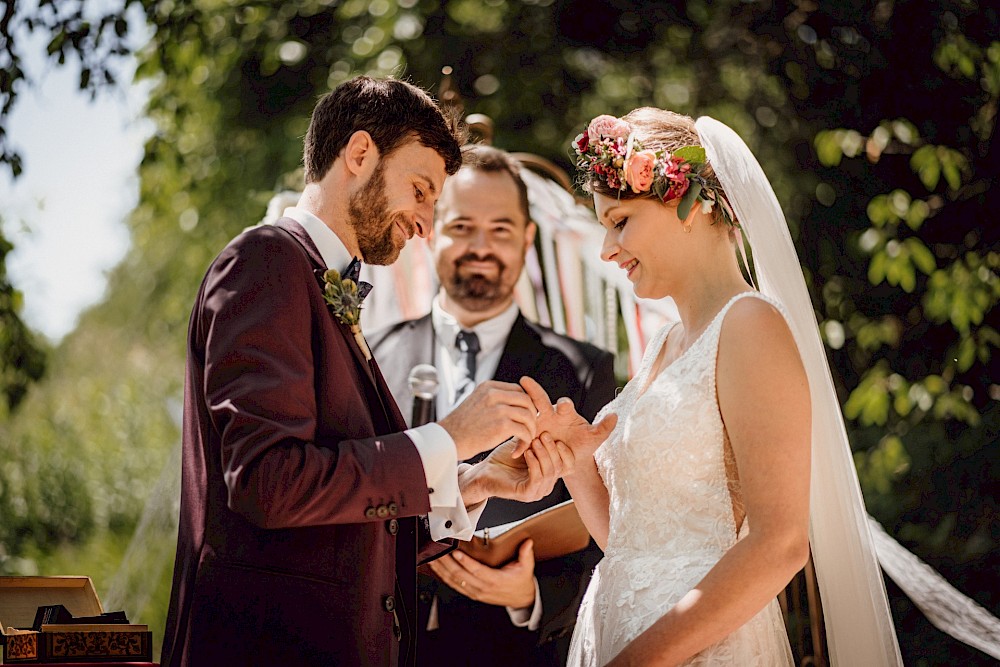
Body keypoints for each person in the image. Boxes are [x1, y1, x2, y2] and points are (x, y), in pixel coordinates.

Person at [161, 76, 578, 667]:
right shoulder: (265, 262)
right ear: (359, 154)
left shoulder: (320, 281)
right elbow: (268, 484)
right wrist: (450, 437)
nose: (427, 223)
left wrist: (475, 482)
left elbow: (344, 520)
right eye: (420, 189)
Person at [522, 109, 902, 665]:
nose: (607, 249)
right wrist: (580, 464)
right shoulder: (668, 342)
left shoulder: (750, 326)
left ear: (691, 203)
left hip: (700, 648)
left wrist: (639, 659)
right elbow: (632, 546)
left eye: (621, 220)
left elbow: (780, 543)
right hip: (617, 629)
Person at [369, 144, 616, 666]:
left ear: (527, 240)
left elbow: (609, 538)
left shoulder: (584, 370)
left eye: (501, 229)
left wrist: (531, 595)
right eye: (461, 226)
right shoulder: (370, 355)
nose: (481, 246)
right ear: (431, 229)